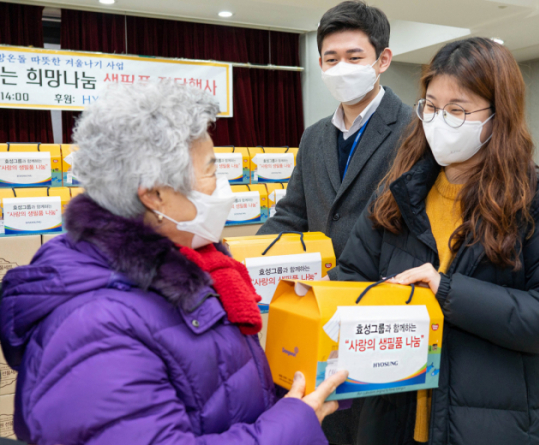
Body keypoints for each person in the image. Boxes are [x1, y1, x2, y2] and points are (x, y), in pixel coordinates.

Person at [0, 82, 348, 445]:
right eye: (211, 171)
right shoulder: (96, 327)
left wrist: (298, 401)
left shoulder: (188, 270)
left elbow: (215, 395)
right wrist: (291, 427)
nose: (223, 187)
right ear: (155, 195)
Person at [337, 37, 539, 445]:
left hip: (486, 425)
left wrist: (447, 292)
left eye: (457, 110)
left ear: (498, 116)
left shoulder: (535, 208)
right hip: (394, 417)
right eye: (432, 106)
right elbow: (350, 277)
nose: (439, 121)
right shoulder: (397, 197)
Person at [258, 0, 413, 277]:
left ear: (383, 60)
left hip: (383, 289)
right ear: (320, 64)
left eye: (354, 58)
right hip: (319, 286)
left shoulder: (414, 130)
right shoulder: (313, 136)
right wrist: (248, 254)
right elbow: (292, 214)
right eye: (332, 59)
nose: (342, 68)